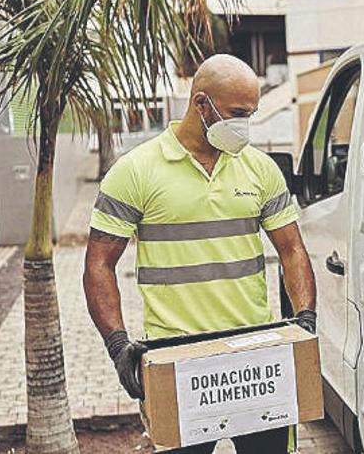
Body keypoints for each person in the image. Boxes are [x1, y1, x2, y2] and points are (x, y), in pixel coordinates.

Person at [82, 54, 316, 453]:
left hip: (255, 355)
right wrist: (118, 346)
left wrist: (305, 318)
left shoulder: (259, 169)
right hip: (177, 360)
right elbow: (98, 265)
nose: (245, 125)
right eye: (237, 113)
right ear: (201, 104)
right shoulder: (135, 171)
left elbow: (292, 249)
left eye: (251, 114)